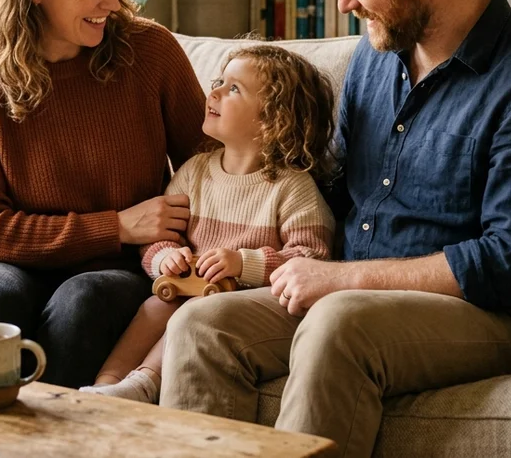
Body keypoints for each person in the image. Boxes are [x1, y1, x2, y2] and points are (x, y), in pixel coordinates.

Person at [160, 0, 511, 456]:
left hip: (494, 314)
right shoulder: (377, 55)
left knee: (338, 325)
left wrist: (342, 279)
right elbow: (336, 191)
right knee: (200, 325)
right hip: (351, 293)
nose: (344, 2)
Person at [0, 0, 207, 388]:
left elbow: (216, 171)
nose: (113, 1)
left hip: (119, 272)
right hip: (9, 266)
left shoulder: (150, 53)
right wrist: (117, 226)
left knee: (82, 301)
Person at [79, 46, 336, 403]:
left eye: (234, 89)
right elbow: (159, 237)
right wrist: (164, 259)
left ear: (271, 119)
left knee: (193, 314)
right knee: (155, 307)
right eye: (219, 81)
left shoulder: (292, 187)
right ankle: (105, 384)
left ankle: (143, 383)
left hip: (238, 305)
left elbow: (311, 258)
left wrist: (243, 263)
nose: (212, 91)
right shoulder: (195, 172)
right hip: (185, 286)